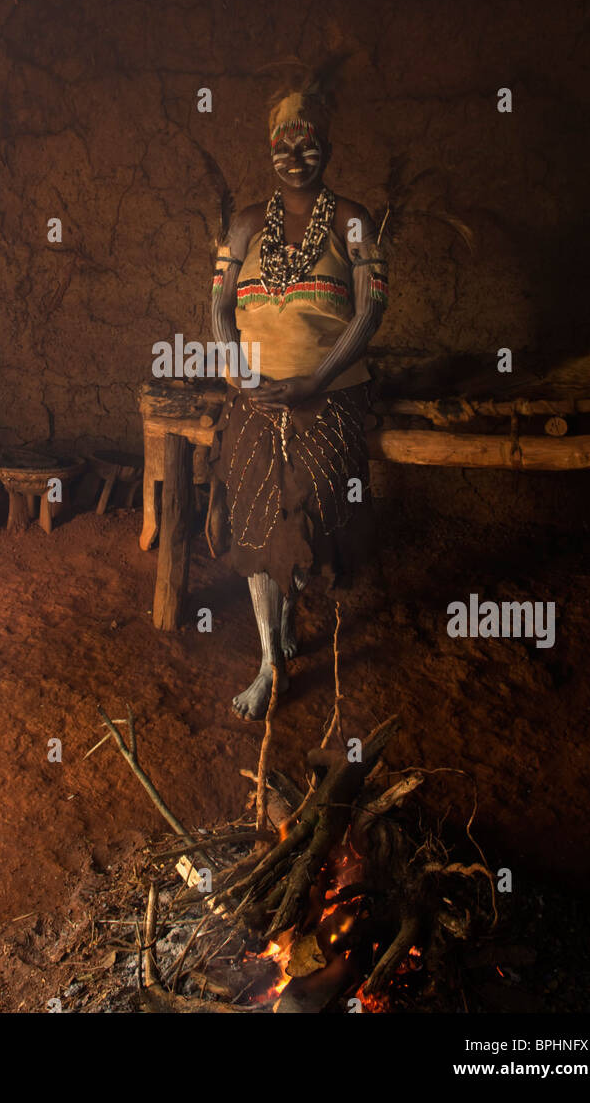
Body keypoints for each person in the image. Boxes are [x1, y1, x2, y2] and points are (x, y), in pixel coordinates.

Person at [209, 71, 388, 719]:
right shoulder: (244, 226)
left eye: (306, 142)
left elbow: (370, 311)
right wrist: (240, 373)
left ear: (326, 150)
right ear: (268, 152)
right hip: (254, 398)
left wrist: (317, 379)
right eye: (281, 144)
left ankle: (291, 610)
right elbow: (218, 308)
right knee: (253, 519)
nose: (294, 155)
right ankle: (269, 659)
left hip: (330, 395)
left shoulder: (352, 221)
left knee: (308, 513)